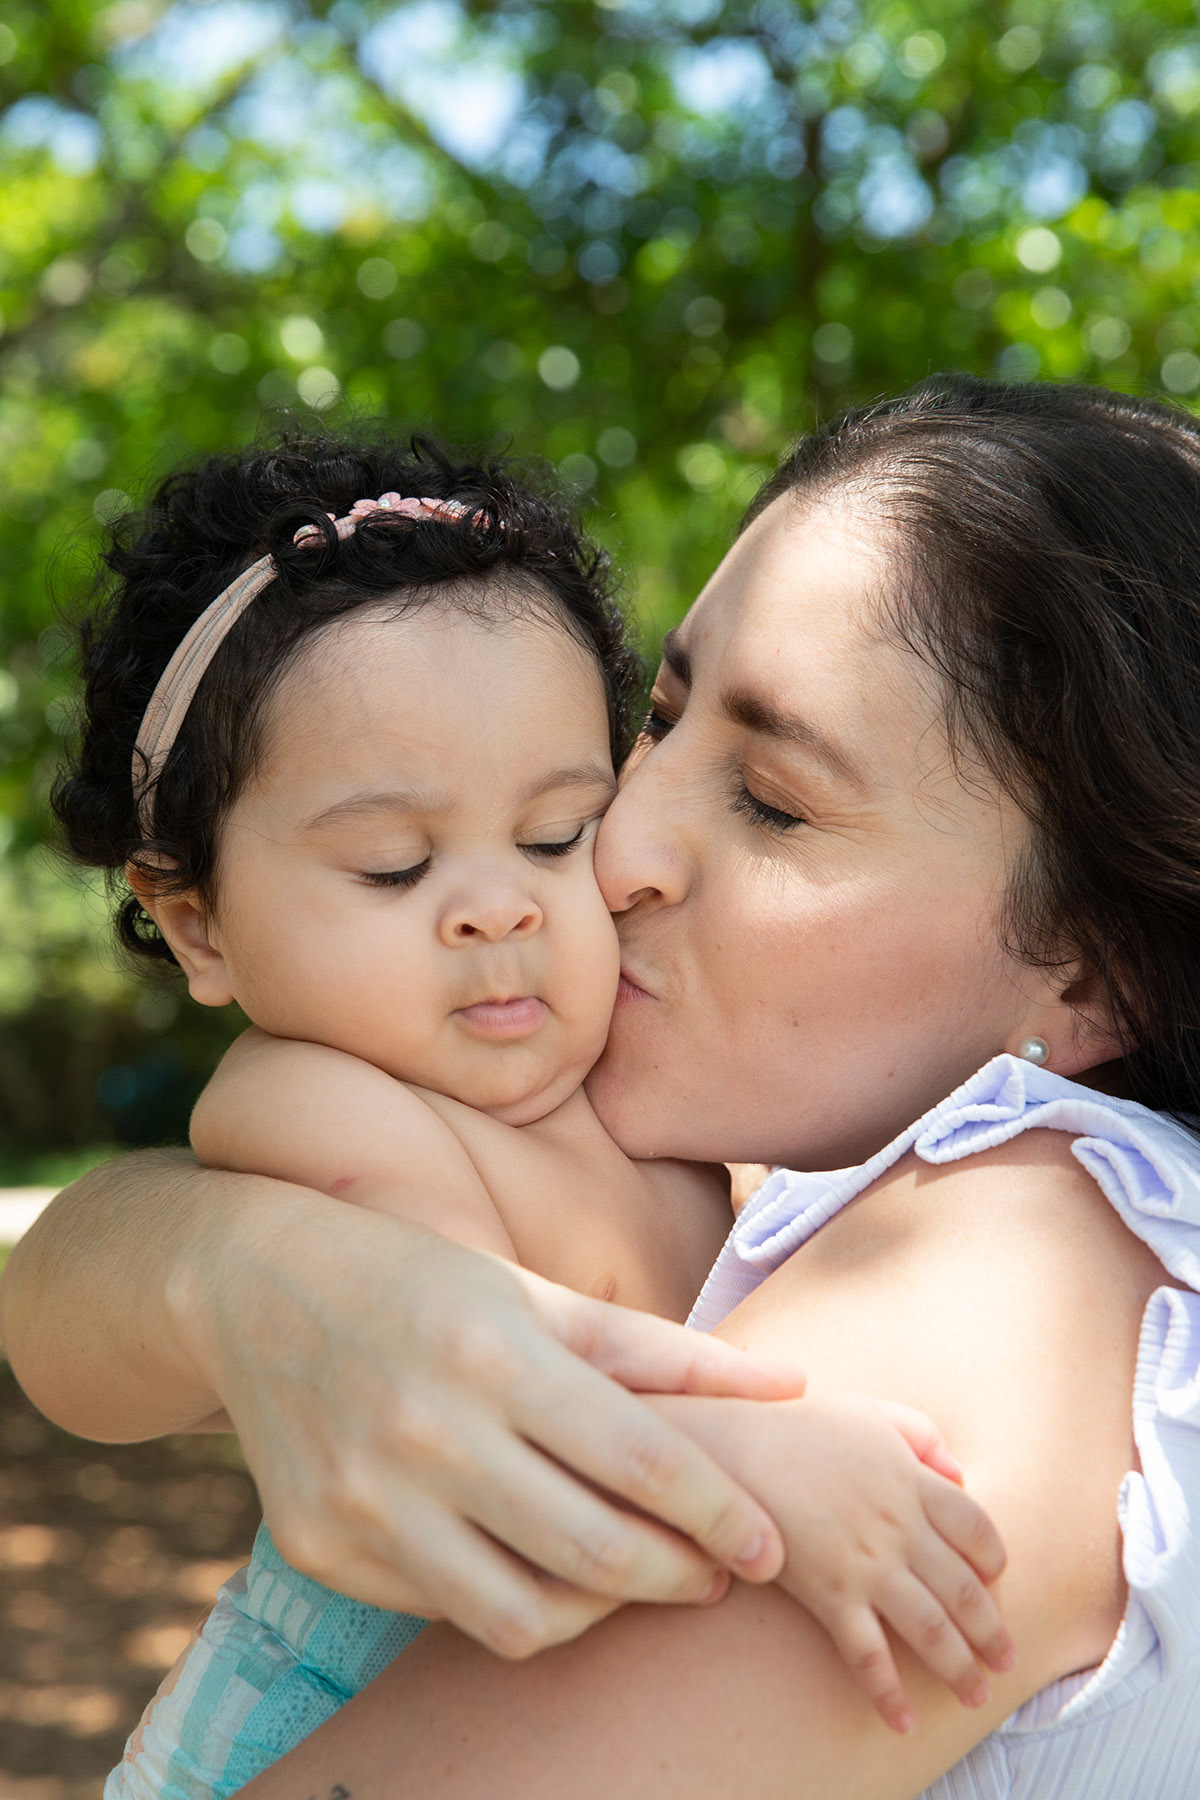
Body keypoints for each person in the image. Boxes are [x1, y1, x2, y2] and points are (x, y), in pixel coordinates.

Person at [6, 374, 1200, 1798]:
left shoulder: (1022, 1252)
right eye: (658, 721)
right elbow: (108, 1312)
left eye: (772, 799)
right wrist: (231, 1266)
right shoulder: (768, 1161)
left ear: (1094, 970)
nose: (617, 847)